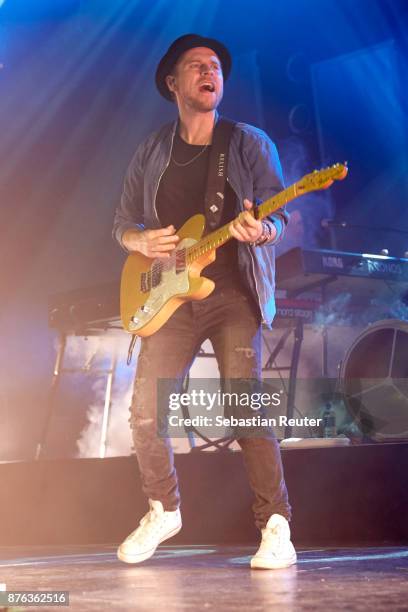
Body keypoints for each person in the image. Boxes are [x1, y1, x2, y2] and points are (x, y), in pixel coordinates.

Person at [112, 34, 296, 570]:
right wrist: (137, 241)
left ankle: (276, 525)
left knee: (245, 406)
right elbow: (122, 220)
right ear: (173, 83)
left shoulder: (246, 142)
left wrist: (264, 230)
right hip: (169, 299)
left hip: (233, 293)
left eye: (215, 66)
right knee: (146, 413)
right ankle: (163, 508)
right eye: (196, 66)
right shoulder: (151, 151)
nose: (208, 72)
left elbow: (278, 213)